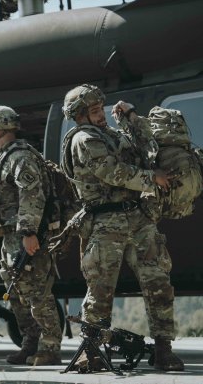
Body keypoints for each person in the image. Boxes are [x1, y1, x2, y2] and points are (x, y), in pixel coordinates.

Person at [60, 84, 184, 371]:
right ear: (79, 115)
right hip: (105, 222)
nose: (101, 115)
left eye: (100, 109)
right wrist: (151, 179)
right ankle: (90, 352)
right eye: (93, 111)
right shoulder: (84, 139)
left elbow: (145, 149)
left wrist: (130, 118)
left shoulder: (110, 134)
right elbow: (112, 172)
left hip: (137, 218)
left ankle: (164, 350)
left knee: (158, 283)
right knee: (101, 290)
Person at [0, 106, 62, 366]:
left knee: (37, 292)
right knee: (16, 294)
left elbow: (32, 194)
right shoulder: (1, 158)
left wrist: (29, 232)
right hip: (10, 237)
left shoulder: (20, 157)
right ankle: (30, 344)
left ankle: (50, 348)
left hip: (26, 235)